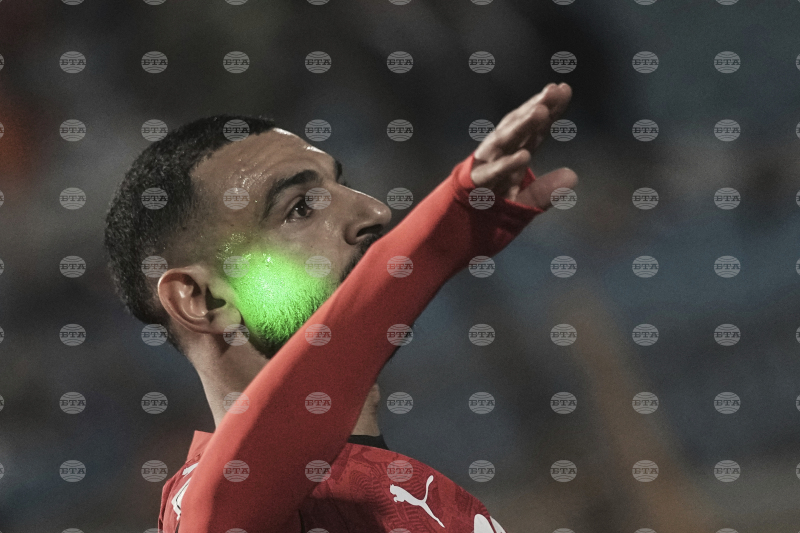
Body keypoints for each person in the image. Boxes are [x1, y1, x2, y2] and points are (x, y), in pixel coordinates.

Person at [104, 82, 576, 533]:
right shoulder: (206, 505)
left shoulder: (404, 489)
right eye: (300, 208)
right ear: (201, 299)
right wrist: (442, 236)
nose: (375, 212)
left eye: (341, 184)